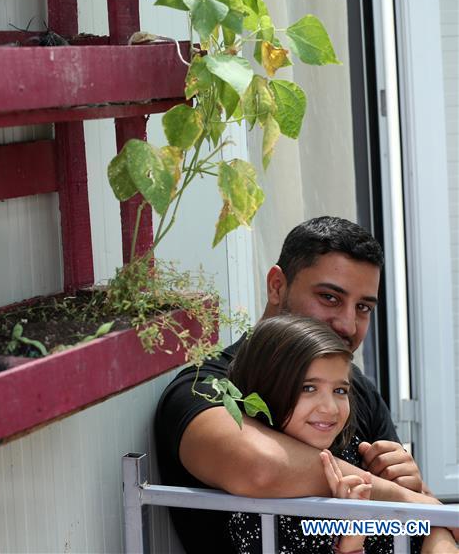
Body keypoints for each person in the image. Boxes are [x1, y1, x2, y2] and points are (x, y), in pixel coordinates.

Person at [154, 217, 444, 553]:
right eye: (330, 298)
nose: (348, 324)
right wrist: (400, 498)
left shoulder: (356, 389)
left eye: (363, 307)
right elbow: (260, 468)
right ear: (277, 285)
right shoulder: (205, 386)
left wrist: (418, 500)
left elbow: (427, 513)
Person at [225, 315, 455, 554]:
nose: (331, 408)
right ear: (265, 389)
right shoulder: (261, 509)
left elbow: (428, 523)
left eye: (340, 390)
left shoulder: (353, 451)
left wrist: (418, 498)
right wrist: (352, 541)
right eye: (309, 388)